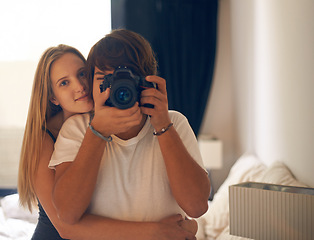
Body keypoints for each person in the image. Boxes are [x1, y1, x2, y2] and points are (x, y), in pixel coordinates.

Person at [18, 44, 197, 240]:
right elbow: (66, 227)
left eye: (82, 74)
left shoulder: (108, 121)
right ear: (53, 97)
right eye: (64, 83)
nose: (79, 86)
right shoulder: (44, 139)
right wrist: (158, 231)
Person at [49, 29, 210, 230]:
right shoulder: (78, 129)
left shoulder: (174, 123)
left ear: (147, 80)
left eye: (125, 77)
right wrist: (97, 131)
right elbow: (67, 213)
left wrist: (163, 126)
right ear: (91, 84)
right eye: (104, 79)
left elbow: (196, 207)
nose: (117, 88)